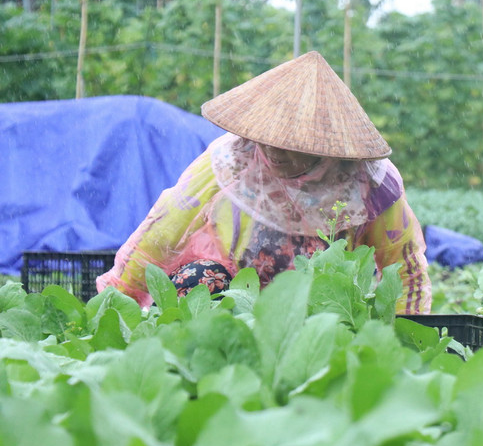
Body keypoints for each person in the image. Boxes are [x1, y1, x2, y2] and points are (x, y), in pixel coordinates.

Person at [97, 51, 431, 314]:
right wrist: (117, 300)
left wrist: (411, 335)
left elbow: (404, 267)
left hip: (317, 309)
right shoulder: (232, 160)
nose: (273, 152)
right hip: (237, 297)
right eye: (266, 139)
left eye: (289, 144)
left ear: (319, 146)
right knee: (197, 281)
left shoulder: (367, 184)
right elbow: (164, 229)